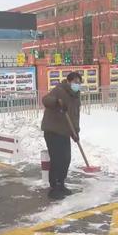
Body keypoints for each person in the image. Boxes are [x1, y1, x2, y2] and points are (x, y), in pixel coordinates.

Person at [41, 72, 82, 200]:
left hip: (65, 132)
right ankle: (54, 188)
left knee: (66, 159)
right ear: (68, 81)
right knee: (57, 159)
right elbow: (45, 100)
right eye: (75, 82)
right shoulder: (59, 90)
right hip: (52, 131)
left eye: (79, 83)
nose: (77, 85)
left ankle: (61, 183)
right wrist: (57, 103)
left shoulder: (76, 96)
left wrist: (75, 132)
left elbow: (75, 116)